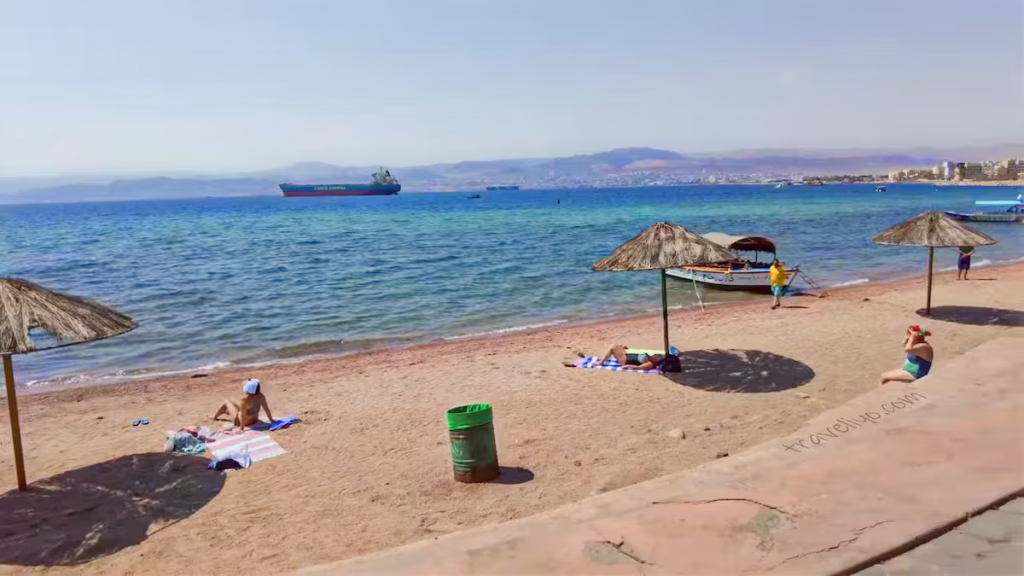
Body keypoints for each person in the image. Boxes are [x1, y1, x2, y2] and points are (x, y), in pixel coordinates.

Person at [595, 344, 665, 370]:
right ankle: (621, 348)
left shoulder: (650, 364)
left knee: (612, 347)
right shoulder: (652, 359)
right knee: (620, 346)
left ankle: (601, 362)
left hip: (625, 360)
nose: (655, 355)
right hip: (628, 356)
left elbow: (639, 367)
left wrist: (627, 366)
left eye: (657, 356)